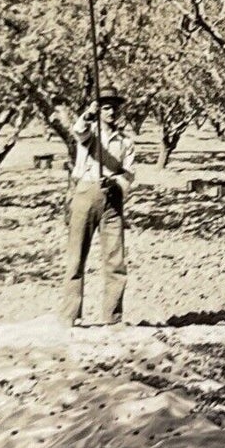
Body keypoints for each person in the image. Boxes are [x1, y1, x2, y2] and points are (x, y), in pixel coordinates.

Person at [61, 90, 136, 327]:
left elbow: (129, 173)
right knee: (76, 258)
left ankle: (113, 318)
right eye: (105, 107)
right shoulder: (90, 135)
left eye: (114, 107)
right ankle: (70, 316)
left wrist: (115, 182)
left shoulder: (125, 142)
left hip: (112, 199)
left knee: (115, 259)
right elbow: (78, 130)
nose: (111, 112)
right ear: (99, 110)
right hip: (85, 193)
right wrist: (88, 114)